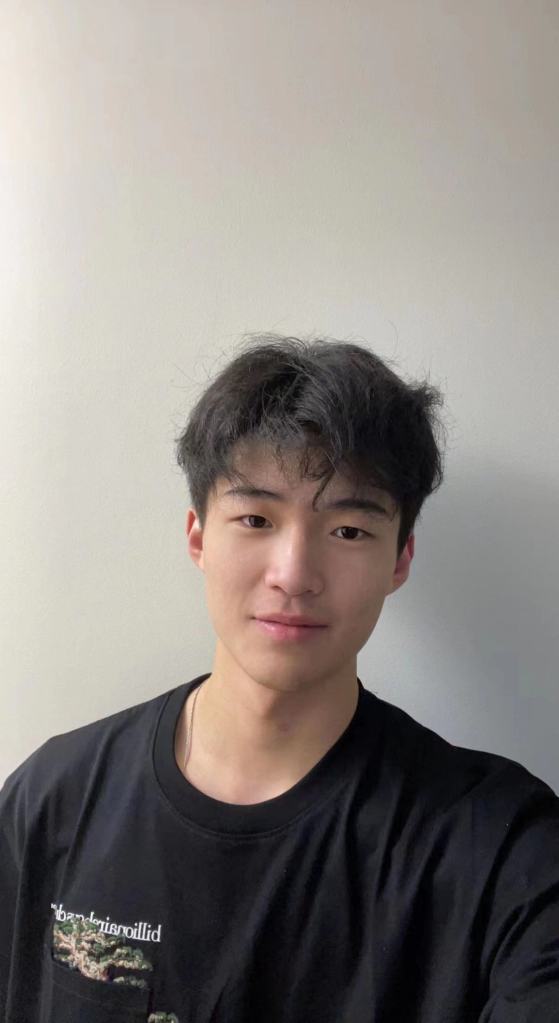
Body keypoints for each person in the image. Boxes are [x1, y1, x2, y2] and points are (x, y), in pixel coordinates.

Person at [1, 335, 557, 1022]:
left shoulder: (500, 846)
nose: (293, 574)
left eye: (348, 530)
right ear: (198, 537)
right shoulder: (53, 799)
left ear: (399, 559)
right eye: (256, 518)